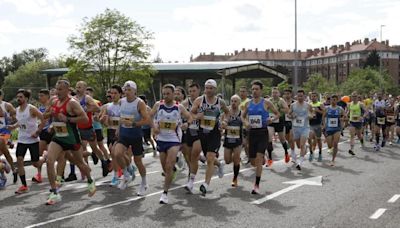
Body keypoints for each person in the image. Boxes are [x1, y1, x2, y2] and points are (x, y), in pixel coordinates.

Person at [44, 79, 96, 205]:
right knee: (49, 161)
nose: (58, 91)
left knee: (80, 164)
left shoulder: (72, 103)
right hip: (58, 137)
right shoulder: (54, 101)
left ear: (68, 90)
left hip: (72, 138)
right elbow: (45, 115)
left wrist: (67, 119)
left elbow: (84, 119)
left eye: (60, 89)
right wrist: (50, 118)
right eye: (57, 89)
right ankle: (54, 192)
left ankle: (90, 181)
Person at [150, 84, 193, 204]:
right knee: (165, 168)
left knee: (168, 165)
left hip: (174, 139)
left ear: (173, 94)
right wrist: (154, 127)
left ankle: (164, 193)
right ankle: (173, 170)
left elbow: (190, 118)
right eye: (164, 94)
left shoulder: (179, 107)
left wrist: (187, 124)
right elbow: (149, 117)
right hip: (161, 139)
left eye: (168, 93)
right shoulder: (158, 105)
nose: (165, 96)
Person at [189, 79, 229, 196]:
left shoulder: (220, 102)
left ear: (215, 89)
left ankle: (205, 184)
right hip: (202, 133)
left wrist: (225, 122)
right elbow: (191, 113)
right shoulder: (199, 100)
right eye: (207, 88)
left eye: (211, 88)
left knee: (210, 158)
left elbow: (227, 112)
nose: (208, 90)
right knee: (208, 158)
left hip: (215, 133)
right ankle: (220, 164)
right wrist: (197, 116)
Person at [113, 80, 150, 195]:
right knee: (117, 153)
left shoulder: (140, 103)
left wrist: (134, 124)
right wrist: (118, 128)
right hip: (124, 133)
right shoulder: (121, 101)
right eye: (125, 89)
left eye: (130, 90)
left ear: (135, 91)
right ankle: (126, 175)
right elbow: (121, 117)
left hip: (135, 135)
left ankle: (144, 182)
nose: (127, 92)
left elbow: (146, 120)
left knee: (138, 161)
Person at [242, 80, 279, 194]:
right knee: (253, 161)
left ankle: (256, 185)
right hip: (252, 133)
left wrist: (271, 119)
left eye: (256, 89)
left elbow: (277, 114)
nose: (254, 91)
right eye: (252, 89)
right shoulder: (248, 103)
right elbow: (242, 117)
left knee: (258, 160)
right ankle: (263, 159)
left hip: (263, 132)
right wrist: (246, 123)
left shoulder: (266, 103)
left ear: (261, 90)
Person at [7, 90, 45, 194]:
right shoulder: (17, 110)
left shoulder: (31, 109)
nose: (18, 99)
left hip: (32, 140)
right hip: (22, 140)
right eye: (17, 97)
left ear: (26, 98)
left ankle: (44, 158)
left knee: (35, 163)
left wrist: (37, 132)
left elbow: (43, 119)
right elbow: (20, 123)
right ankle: (24, 185)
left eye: (21, 97)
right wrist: (13, 127)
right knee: (19, 160)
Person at [99, 85, 123, 186]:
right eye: (111, 93)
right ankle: (127, 167)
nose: (112, 95)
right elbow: (103, 122)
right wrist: (103, 120)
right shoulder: (107, 106)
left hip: (122, 132)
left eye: (115, 93)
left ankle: (116, 176)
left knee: (114, 152)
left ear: (120, 94)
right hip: (111, 132)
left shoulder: (124, 104)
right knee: (114, 153)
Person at [86, 87, 112, 177]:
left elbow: (99, 111)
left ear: (92, 94)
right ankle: (93, 156)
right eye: (86, 93)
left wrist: (97, 117)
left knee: (100, 145)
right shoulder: (80, 101)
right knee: (86, 145)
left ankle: (107, 160)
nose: (87, 95)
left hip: (97, 127)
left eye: (89, 93)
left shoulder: (96, 102)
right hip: (86, 127)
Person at [288, 90, 313, 171]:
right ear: (296, 96)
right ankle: (306, 147)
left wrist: (310, 116)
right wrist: (292, 116)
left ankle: (300, 162)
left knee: (302, 145)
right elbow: (288, 114)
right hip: (295, 128)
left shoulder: (308, 105)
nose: (300, 97)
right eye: (298, 96)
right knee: (299, 146)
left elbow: (312, 114)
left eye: (301, 96)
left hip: (305, 127)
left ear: (304, 96)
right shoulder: (293, 105)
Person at [182, 83, 202, 183]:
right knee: (189, 156)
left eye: (194, 91)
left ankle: (191, 180)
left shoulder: (203, 102)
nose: (192, 93)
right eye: (190, 91)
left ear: (199, 91)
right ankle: (218, 164)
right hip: (189, 132)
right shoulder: (185, 103)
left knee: (194, 155)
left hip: (201, 132)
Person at [32, 89, 53, 183]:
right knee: (39, 154)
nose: (40, 98)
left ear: (47, 96)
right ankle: (39, 175)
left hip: (51, 132)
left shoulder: (52, 106)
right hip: (42, 132)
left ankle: (53, 175)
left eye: (42, 96)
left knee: (51, 156)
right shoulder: (39, 108)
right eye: (39, 96)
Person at [222, 95, 242, 187]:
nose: (233, 103)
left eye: (235, 101)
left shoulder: (242, 113)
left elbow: (246, 123)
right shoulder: (227, 112)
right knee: (227, 161)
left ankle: (235, 178)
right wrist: (223, 125)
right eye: (232, 101)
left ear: (239, 103)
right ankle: (236, 159)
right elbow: (222, 121)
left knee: (236, 159)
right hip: (228, 138)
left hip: (238, 139)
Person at [267, 87, 290, 166]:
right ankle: (270, 158)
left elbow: (287, 110)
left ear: (279, 94)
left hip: (280, 121)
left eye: (276, 93)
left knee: (282, 139)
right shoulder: (269, 101)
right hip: (271, 122)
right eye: (273, 93)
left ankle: (286, 153)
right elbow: (265, 109)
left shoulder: (281, 101)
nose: (274, 94)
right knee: (269, 138)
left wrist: (279, 109)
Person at [0, 89, 18, 183]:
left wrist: (6, 117)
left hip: (4, 132)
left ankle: (6, 168)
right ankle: (5, 167)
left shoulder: (7, 106)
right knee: (5, 152)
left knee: (4, 151)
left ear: (1, 96)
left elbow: (16, 119)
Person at [323, 95, 345, 166]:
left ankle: (333, 160)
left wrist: (342, 119)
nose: (333, 101)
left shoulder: (340, 109)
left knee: (335, 144)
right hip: (329, 128)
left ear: (337, 100)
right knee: (329, 146)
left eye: (335, 100)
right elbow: (323, 117)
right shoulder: (327, 108)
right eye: (332, 100)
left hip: (337, 128)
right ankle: (330, 143)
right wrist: (324, 125)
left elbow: (345, 117)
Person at [308, 92, 325, 162]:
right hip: (310, 124)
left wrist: (318, 110)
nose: (313, 97)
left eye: (315, 96)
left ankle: (320, 153)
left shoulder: (320, 104)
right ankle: (311, 153)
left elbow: (324, 112)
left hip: (318, 124)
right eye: (312, 96)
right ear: (310, 97)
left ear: (317, 97)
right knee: (309, 138)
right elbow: (307, 113)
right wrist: (309, 116)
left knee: (318, 140)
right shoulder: (309, 104)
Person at [283, 89, 296, 162]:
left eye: (288, 94)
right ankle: (291, 149)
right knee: (287, 139)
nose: (287, 95)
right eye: (285, 94)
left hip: (293, 123)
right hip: (285, 122)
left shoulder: (294, 103)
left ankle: (293, 154)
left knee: (291, 139)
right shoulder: (282, 103)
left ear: (291, 94)